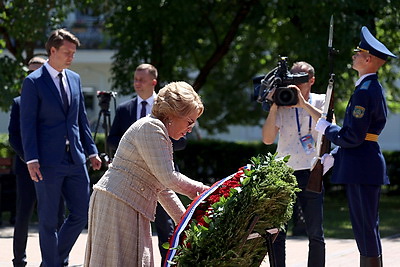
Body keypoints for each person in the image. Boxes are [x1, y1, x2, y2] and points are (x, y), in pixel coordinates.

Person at [300, 26, 396, 267]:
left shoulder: (365, 90)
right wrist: (336, 153)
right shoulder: (367, 88)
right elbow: (360, 136)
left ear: (368, 59)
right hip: (362, 162)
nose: (354, 55)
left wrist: (327, 128)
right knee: (365, 227)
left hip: (362, 165)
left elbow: (353, 136)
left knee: (365, 226)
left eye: (358, 52)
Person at [84, 81, 209, 267]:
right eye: (189, 122)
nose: (191, 129)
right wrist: (205, 191)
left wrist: (186, 224)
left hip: (125, 203)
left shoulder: (158, 132)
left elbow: (162, 187)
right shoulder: (152, 128)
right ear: (172, 115)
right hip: (118, 204)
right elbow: (169, 178)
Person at [20, 29, 102, 267]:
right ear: (52, 51)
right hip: (46, 161)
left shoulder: (74, 79)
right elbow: (28, 124)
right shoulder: (33, 82)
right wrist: (32, 159)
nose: (71, 58)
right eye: (67, 52)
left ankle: (51, 261)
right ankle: (54, 263)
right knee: (47, 221)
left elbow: (81, 120)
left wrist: (91, 150)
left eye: (73, 53)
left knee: (81, 212)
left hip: (75, 159)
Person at [107, 63, 186, 264]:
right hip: (135, 178)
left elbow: (182, 141)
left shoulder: (169, 110)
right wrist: (137, 144)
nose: (137, 83)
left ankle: (167, 262)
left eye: (141, 80)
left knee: (165, 226)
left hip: (162, 174)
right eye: (135, 79)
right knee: (136, 230)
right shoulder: (125, 109)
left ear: (154, 82)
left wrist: (158, 146)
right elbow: (112, 139)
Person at [262, 61, 326, 267]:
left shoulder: (320, 100)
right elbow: (267, 139)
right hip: (284, 172)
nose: (296, 84)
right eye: (293, 78)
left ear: (312, 80)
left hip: (311, 171)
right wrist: (273, 105)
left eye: (301, 79)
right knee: (277, 231)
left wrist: (302, 104)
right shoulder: (283, 101)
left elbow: (329, 125)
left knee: (315, 232)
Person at [8, 56, 66, 267]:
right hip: (26, 168)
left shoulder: (58, 101)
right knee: (23, 214)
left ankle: (58, 259)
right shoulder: (18, 102)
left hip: (54, 168)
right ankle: (19, 260)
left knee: (57, 215)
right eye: (30, 72)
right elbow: (14, 136)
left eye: (38, 71)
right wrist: (30, 159)